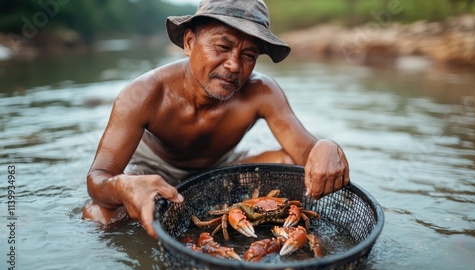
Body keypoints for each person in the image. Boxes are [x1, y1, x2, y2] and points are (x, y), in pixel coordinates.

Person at [83, 0, 350, 238]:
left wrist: (324, 146)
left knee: (291, 165)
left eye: (248, 55)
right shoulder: (143, 94)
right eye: (223, 46)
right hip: (155, 172)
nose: (234, 65)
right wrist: (125, 186)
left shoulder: (262, 92)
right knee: (98, 215)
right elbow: (98, 176)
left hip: (221, 171)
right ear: (189, 43)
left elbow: (304, 152)